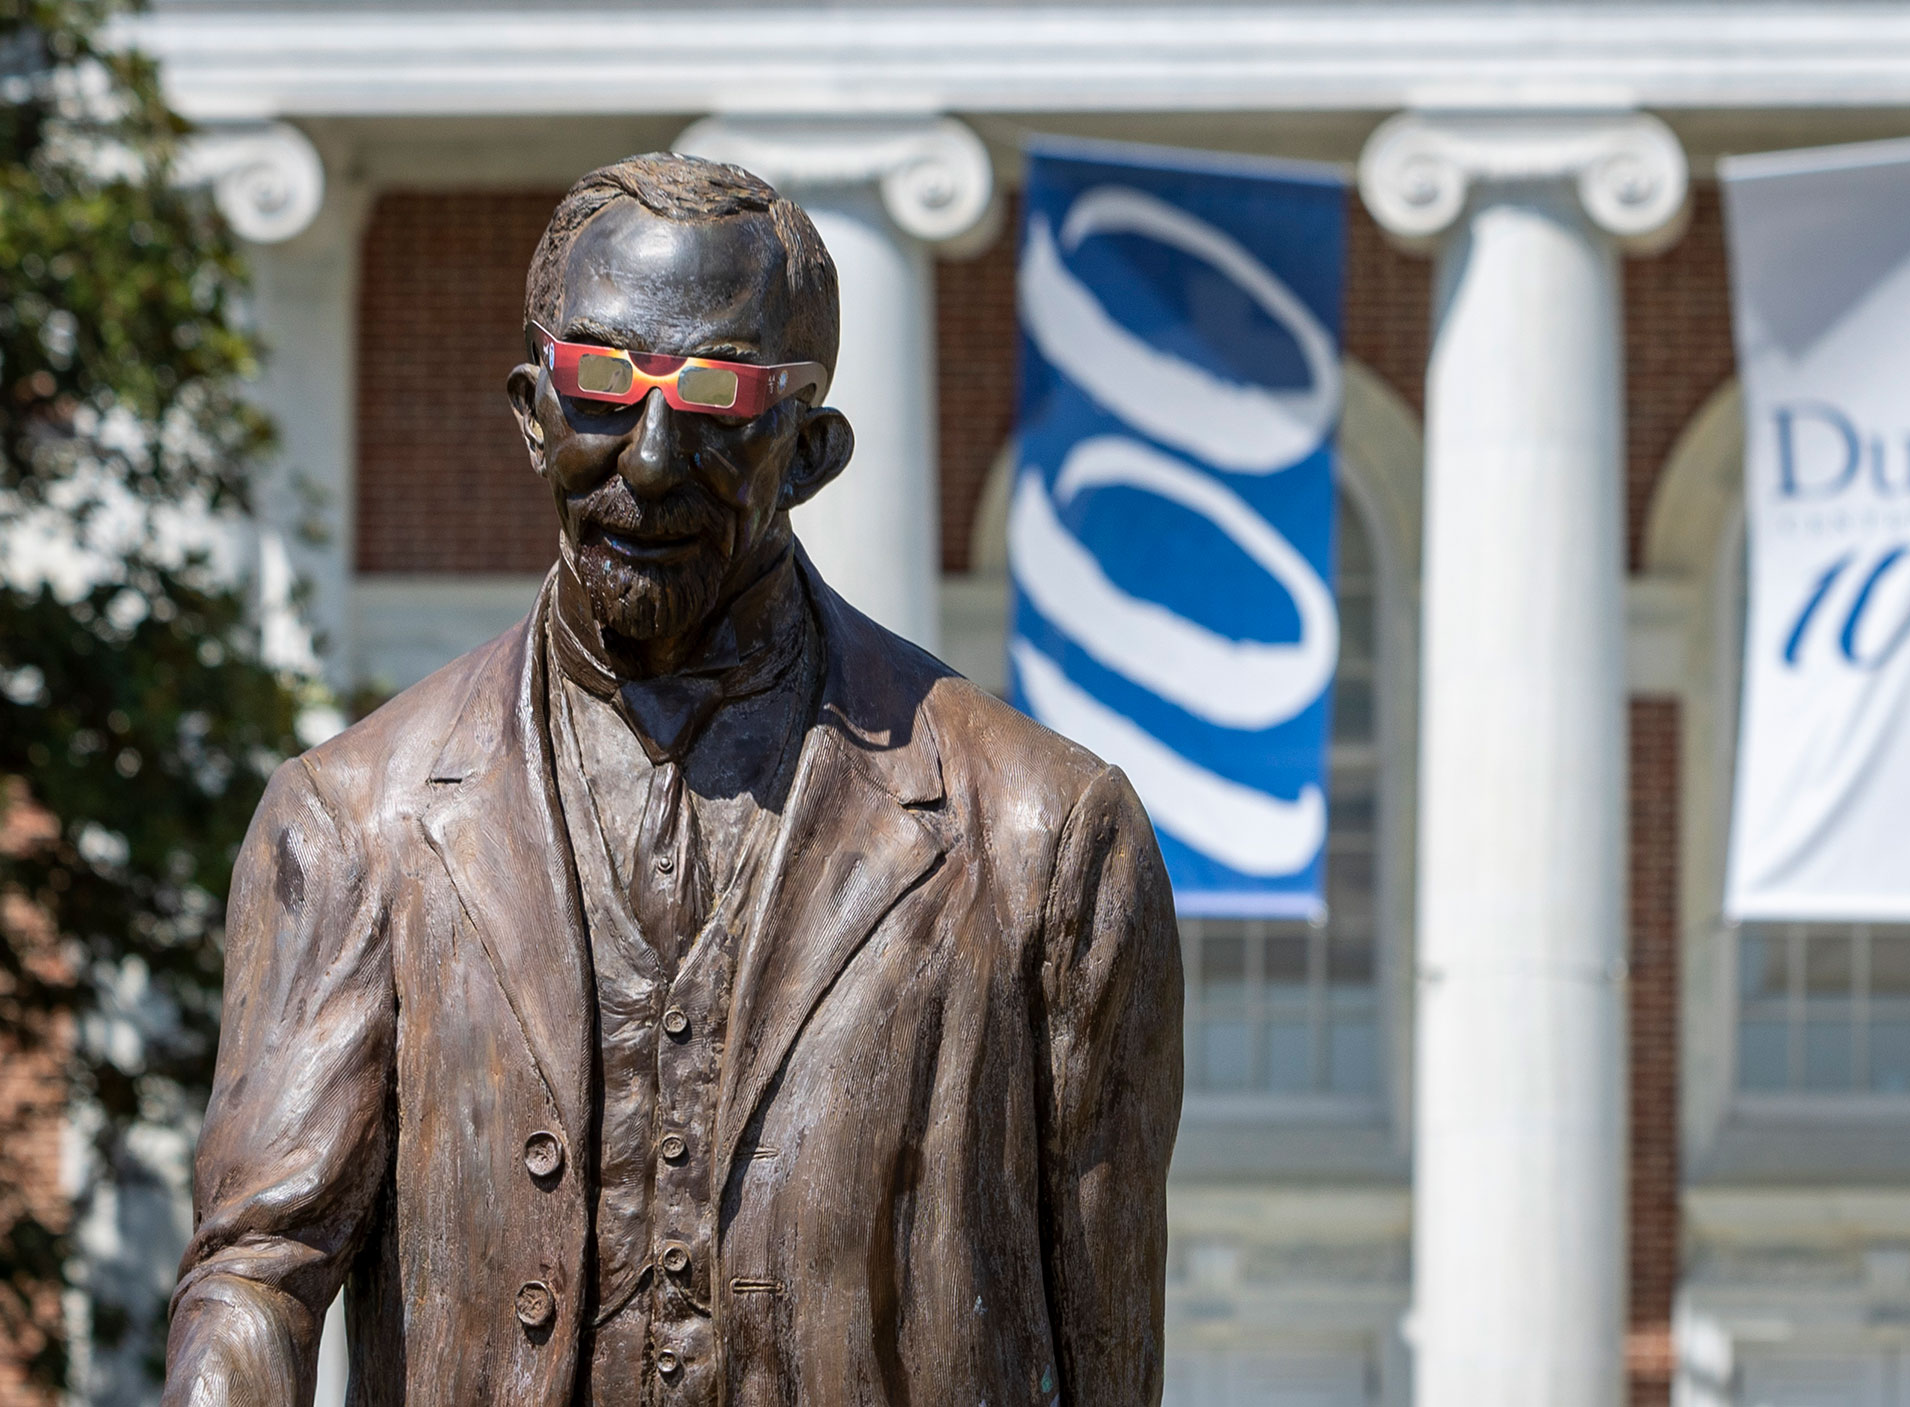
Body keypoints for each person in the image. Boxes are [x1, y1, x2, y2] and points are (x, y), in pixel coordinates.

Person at [162, 152, 1183, 1406]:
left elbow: (1105, 1346)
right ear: (533, 408)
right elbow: (254, 1275)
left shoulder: (1045, 838)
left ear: (810, 451)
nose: (646, 461)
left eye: (714, 398)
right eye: (601, 383)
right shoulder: (353, 821)